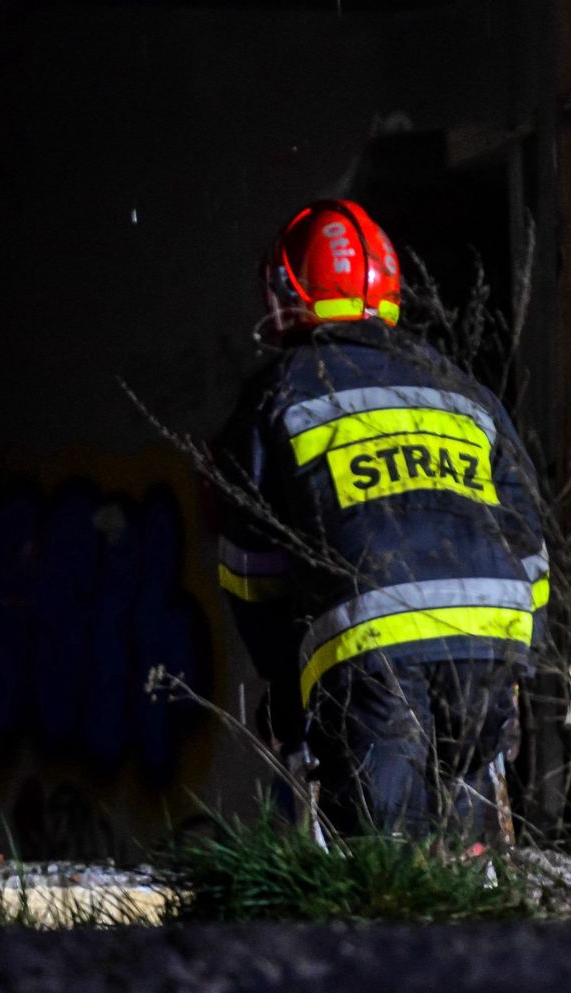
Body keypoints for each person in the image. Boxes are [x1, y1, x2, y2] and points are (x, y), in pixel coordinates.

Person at [214, 199, 549, 844]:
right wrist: (514, 658)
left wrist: (286, 684)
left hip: (376, 653)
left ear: (286, 290)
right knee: (467, 858)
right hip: (494, 639)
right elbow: (529, 543)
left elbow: (249, 562)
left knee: (386, 864)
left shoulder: (282, 391)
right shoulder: (459, 388)